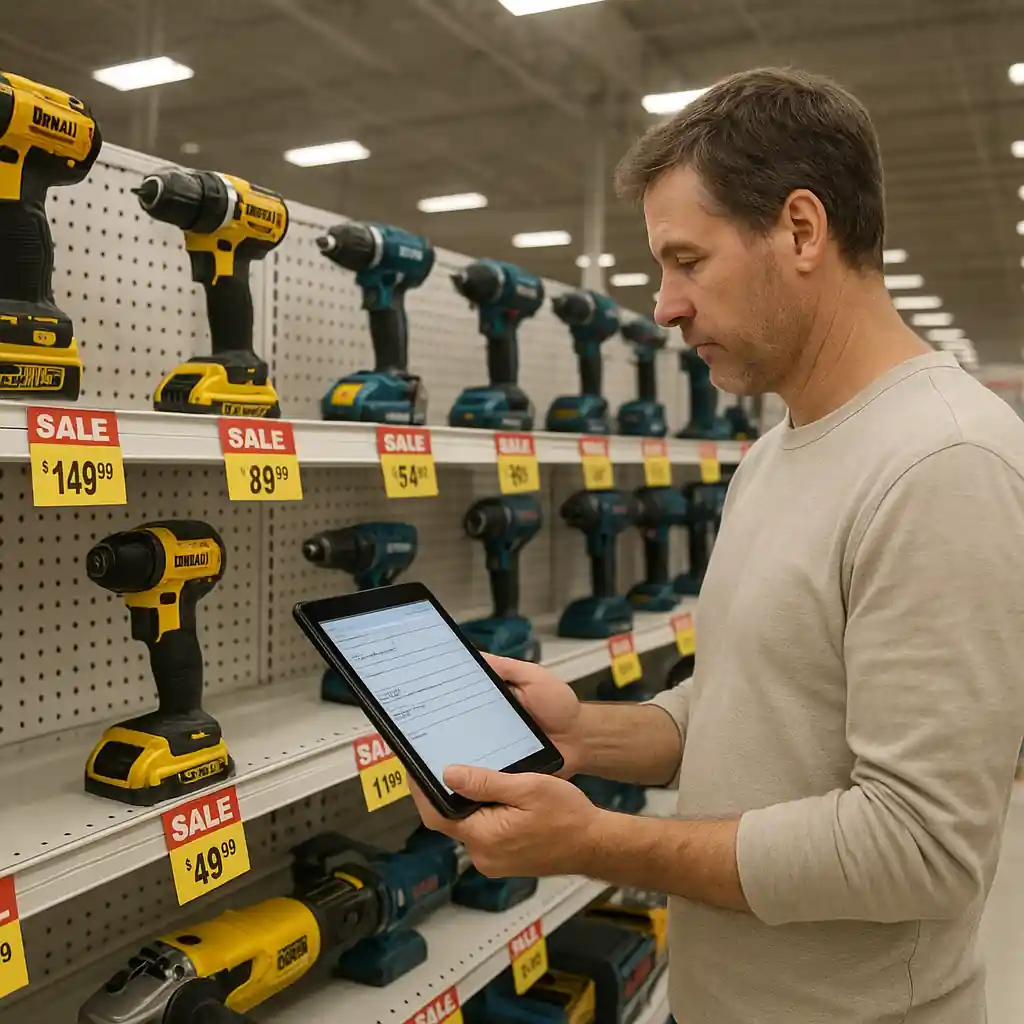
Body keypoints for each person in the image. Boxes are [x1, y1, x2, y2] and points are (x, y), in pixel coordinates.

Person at [412, 67, 1024, 1023]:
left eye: (686, 261)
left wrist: (596, 844)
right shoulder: (773, 454)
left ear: (802, 230)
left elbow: (921, 848)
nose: (662, 304)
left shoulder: (942, 463)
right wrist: (583, 734)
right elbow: (752, 707)